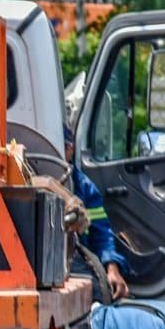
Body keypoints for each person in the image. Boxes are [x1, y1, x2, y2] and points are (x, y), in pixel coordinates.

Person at [64, 126, 130, 302]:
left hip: (76, 261)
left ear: (70, 149)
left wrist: (112, 268)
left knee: (99, 295)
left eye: (65, 147)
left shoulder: (85, 188)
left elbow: (102, 236)